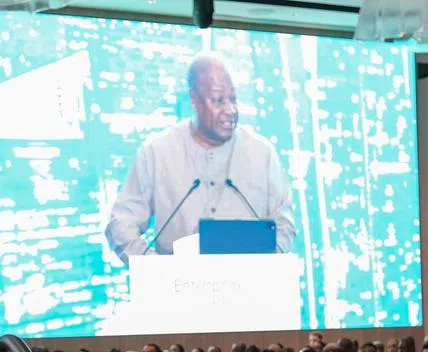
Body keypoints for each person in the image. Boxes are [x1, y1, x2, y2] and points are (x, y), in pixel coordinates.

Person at [105, 53, 295, 261]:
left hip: (248, 287)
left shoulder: (262, 153)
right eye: (218, 100)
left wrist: (264, 266)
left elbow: (284, 227)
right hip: (177, 288)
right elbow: (121, 225)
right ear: (194, 99)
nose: (230, 110)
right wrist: (155, 270)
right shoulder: (156, 152)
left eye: (233, 99)